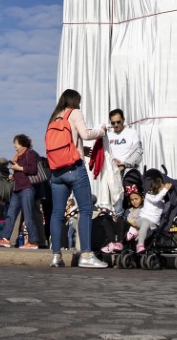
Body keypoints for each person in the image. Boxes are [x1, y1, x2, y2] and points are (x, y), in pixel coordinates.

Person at [45, 88, 106, 269]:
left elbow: (64, 142)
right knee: (86, 210)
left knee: (57, 214)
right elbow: (86, 134)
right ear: (75, 101)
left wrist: (80, 149)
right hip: (74, 169)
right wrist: (101, 131)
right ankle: (86, 255)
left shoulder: (54, 117)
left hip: (57, 172)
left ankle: (56, 256)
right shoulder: (74, 112)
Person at [0, 135, 41, 249]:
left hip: (27, 188)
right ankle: (5, 238)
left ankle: (33, 242)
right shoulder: (19, 156)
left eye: (16, 143)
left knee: (28, 216)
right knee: (10, 214)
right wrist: (14, 176)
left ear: (22, 143)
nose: (14, 145)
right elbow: (22, 172)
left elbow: (33, 169)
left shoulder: (30, 154)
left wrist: (19, 168)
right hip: (17, 189)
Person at [104, 109, 142, 179]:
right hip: (113, 174)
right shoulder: (108, 136)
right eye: (113, 123)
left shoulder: (132, 133)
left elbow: (138, 152)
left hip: (129, 174)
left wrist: (124, 165)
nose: (116, 125)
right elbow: (106, 154)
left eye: (118, 122)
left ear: (123, 120)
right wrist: (112, 160)